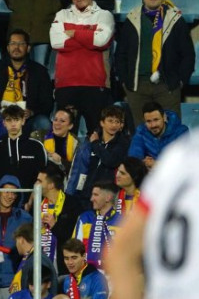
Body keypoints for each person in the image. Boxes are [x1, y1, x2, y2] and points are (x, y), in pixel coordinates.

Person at [105, 132, 197, 299]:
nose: (118, 176)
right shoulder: (179, 158)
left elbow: (121, 250)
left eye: (123, 173)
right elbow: (122, 249)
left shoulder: (178, 156)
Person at [115, 0, 196, 125]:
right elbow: (121, 54)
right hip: (137, 86)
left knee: (171, 133)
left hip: (167, 86)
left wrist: (179, 81)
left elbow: (188, 55)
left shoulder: (175, 19)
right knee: (141, 134)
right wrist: (125, 81)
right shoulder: (131, 20)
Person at [50, 0, 115, 134]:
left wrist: (73, 33)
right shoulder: (62, 14)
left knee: (97, 135)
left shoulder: (105, 15)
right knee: (64, 137)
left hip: (95, 85)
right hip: (66, 85)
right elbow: (56, 42)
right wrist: (88, 35)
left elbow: (101, 41)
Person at [0, 29, 54, 134]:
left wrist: (32, 112)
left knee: (43, 123)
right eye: (13, 44)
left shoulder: (39, 71)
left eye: (21, 44)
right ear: (8, 48)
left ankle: (40, 150)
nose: (16, 47)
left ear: (28, 48)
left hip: (27, 119)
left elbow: (47, 103)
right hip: (1, 116)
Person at [67, 105, 130, 209]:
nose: (114, 125)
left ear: (121, 125)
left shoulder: (123, 143)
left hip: (109, 198)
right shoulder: (89, 145)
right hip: (87, 195)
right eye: (110, 121)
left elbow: (111, 160)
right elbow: (79, 170)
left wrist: (96, 144)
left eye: (117, 122)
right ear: (102, 123)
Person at [0, 105, 47, 207]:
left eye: (16, 120)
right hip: (1, 207)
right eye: (9, 120)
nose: (13, 124)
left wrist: (30, 204)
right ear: (4, 123)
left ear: (23, 121)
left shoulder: (36, 147)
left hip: (30, 206)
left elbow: (40, 179)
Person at [35, 164, 83, 274]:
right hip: (42, 266)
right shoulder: (37, 204)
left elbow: (75, 238)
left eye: (39, 181)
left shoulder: (73, 204)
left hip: (65, 267)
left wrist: (55, 225)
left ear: (51, 185)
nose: (36, 185)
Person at [72, 181, 121, 269]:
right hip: (88, 276)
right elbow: (75, 249)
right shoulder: (85, 218)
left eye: (95, 195)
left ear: (108, 198)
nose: (91, 199)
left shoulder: (122, 221)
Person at [127, 101, 189, 169]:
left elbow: (183, 162)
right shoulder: (141, 131)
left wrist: (157, 164)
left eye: (156, 120)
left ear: (164, 117)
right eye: (148, 121)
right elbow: (133, 160)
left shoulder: (181, 132)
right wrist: (145, 164)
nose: (153, 125)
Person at [9, 223, 58, 296]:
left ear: (21, 240)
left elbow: (41, 290)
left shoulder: (37, 260)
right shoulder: (33, 258)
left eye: (16, 241)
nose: (16, 245)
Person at [31, 108, 79, 173]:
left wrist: (61, 161)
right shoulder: (38, 136)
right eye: (55, 120)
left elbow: (77, 169)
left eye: (62, 121)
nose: (57, 123)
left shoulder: (76, 143)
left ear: (70, 126)